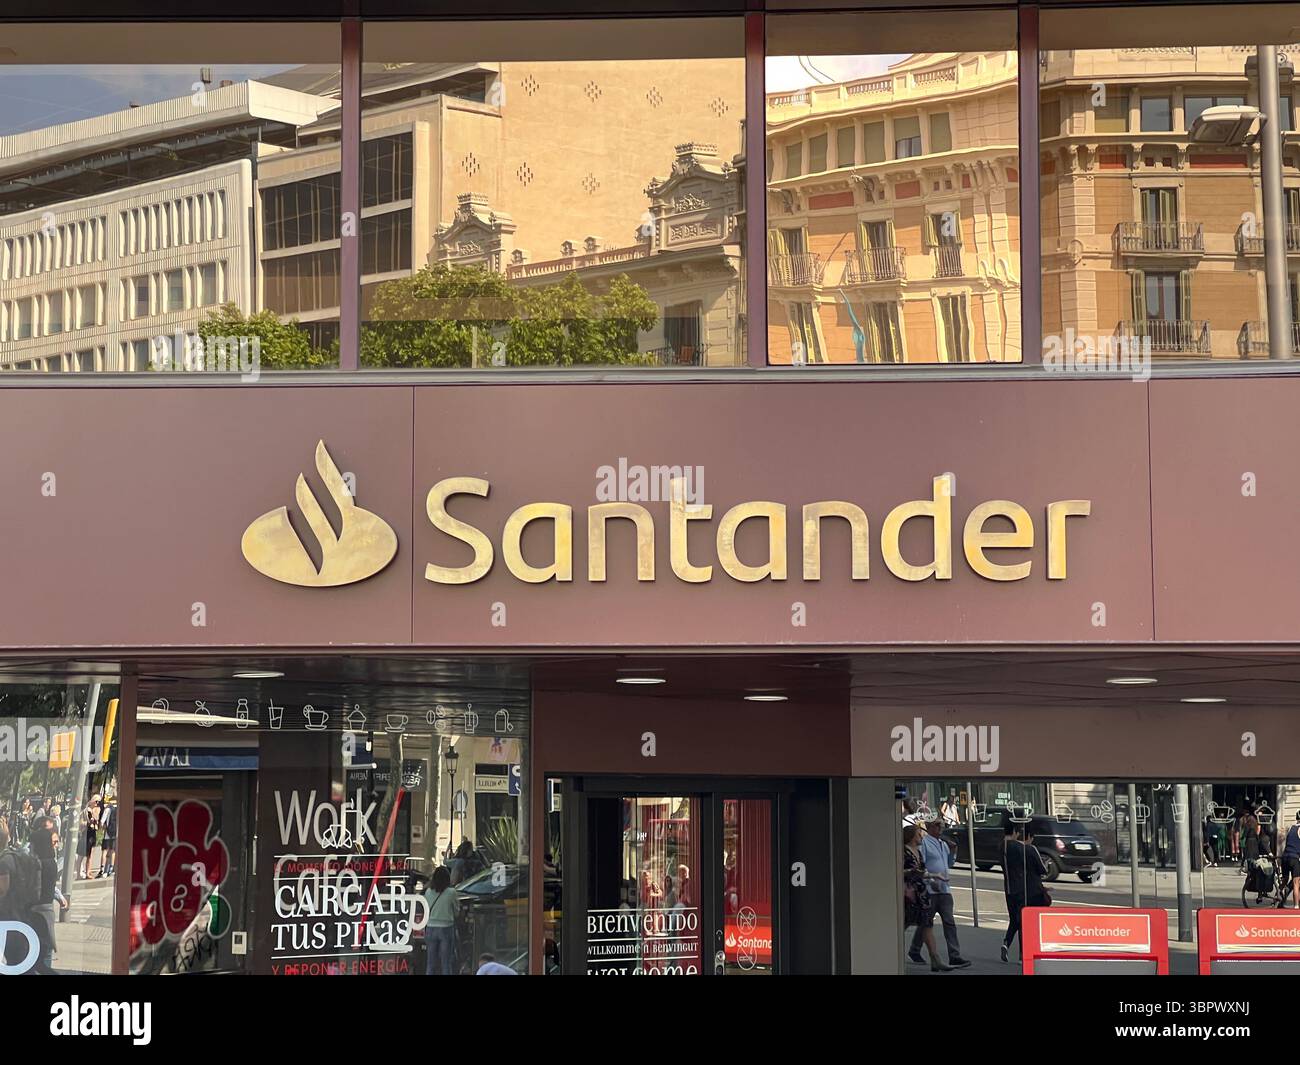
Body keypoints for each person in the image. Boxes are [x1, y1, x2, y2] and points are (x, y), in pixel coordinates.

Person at [907, 819, 971, 969]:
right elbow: (920, 865)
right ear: (929, 828)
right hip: (931, 888)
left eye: (942, 825)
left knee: (949, 921)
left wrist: (953, 852)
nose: (940, 828)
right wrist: (930, 880)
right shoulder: (925, 844)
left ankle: (954, 955)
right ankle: (915, 950)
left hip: (944, 888)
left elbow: (948, 864)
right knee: (926, 922)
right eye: (937, 825)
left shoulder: (943, 844)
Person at [902, 824, 951, 972]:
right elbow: (898, 870)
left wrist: (933, 877)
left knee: (926, 924)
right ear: (910, 837)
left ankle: (935, 958)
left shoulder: (918, 851)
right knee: (904, 923)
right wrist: (911, 871)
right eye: (918, 834)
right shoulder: (903, 851)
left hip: (922, 892)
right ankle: (891, 951)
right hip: (909, 892)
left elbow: (923, 871)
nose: (921, 837)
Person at [1001, 821, 1048, 964]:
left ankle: (1006, 943)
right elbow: (1041, 869)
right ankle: (1023, 953)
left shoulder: (1003, 847)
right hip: (1025, 890)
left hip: (1009, 888)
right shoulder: (1025, 848)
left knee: (1015, 920)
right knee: (1024, 922)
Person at [423, 865, 458, 975]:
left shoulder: (428, 892)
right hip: (446, 928)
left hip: (430, 927)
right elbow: (456, 911)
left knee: (431, 963)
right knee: (446, 962)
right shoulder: (452, 892)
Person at [1282, 812, 1300, 910]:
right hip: (1294, 857)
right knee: (1296, 882)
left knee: (1285, 879)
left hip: (1285, 856)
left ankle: (1278, 896)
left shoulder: (1291, 828)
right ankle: (1296, 906)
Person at [98, 800, 117, 878]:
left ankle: (102, 869)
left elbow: (102, 822)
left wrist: (101, 830)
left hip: (107, 834)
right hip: (115, 833)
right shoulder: (117, 809)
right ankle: (111, 869)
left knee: (104, 851)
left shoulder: (107, 810)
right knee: (113, 851)